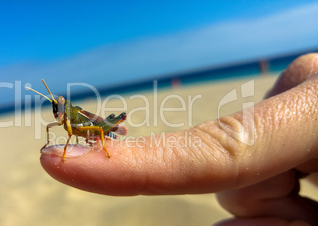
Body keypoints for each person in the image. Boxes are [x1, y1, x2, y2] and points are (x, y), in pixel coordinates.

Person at [40, 53, 318, 225]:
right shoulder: (63, 119)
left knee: (105, 127)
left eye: (60, 106)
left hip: (103, 129)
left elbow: (94, 128)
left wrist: (84, 146)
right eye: (56, 108)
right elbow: (58, 128)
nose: (58, 111)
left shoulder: (76, 115)